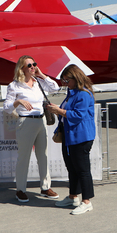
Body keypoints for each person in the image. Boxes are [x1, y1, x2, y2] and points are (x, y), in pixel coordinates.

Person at [4, 55, 60, 203]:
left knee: (43, 155)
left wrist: (41, 75)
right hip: (25, 122)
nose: (32, 67)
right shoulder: (14, 85)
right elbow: (7, 108)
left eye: (34, 64)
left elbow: (55, 87)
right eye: (29, 65)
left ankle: (45, 186)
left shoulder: (38, 82)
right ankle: (21, 189)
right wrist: (17, 102)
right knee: (24, 157)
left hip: (40, 120)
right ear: (21, 68)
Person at [48, 65, 96, 215]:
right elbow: (68, 112)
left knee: (83, 170)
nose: (65, 83)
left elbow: (77, 116)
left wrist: (59, 111)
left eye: (67, 80)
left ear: (75, 78)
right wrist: (58, 110)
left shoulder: (83, 94)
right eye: (64, 80)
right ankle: (73, 196)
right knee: (72, 168)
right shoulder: (72, 93)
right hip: (70, 137)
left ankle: (86, 201)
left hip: (81, 137)